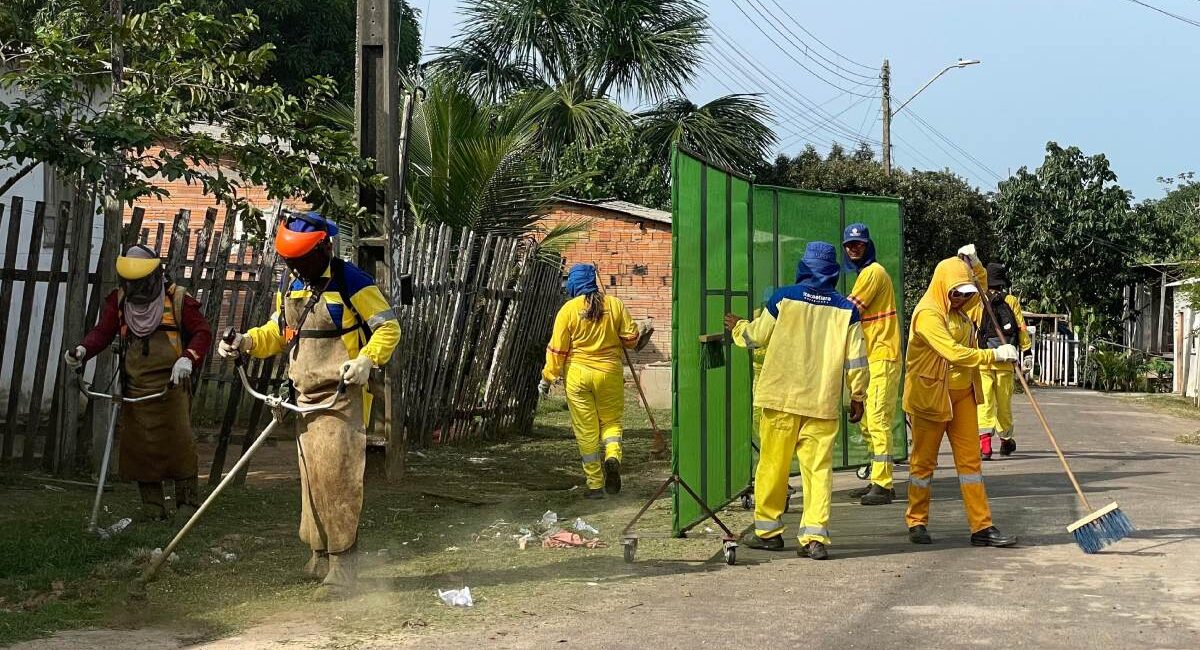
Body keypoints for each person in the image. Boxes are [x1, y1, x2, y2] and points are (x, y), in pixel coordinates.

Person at [219, 211, 400, 597]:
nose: (295, 267)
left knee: (338, 482)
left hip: (341, 400)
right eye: (290, 260)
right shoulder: (292, 285)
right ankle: (318, 556)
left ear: (324, 249)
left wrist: (367, 360)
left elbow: (388, 327)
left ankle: (343, 567)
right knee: (313, 482)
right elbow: (279, 332)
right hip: (304, 400)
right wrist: (246, 343)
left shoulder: (352, 281)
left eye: (301, 259)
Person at [725, 242, 867, 560]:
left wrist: (738, 327)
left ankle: (768, 532)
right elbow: (857, 361)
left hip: (781, 399)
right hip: (822, 403)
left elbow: (756, 337)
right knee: (818, 471)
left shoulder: (783, 298)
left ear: (804, 266)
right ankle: (814, 537)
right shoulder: (847, 310)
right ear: (833, 271)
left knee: (773, 467)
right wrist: (857, 396)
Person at [64, 244, 212, 522]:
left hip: (172, 386)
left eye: (140, 283)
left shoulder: (178, 300)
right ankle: (153, 508)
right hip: (136, 388)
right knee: (141, 449)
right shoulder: (119, 301)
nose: (135, 289)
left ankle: (187, 505)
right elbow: (103, 332)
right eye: (130, 283)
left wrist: (188, 358)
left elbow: (202, 332)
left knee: (179, 444)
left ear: (154, 277)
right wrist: (83, 350)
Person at [903, 246, 1018, 548]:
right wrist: (994, 355)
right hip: (931, 396)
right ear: (943, 286)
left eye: (965, 294)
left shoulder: (961, 306)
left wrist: (975, 265)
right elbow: (953, 353)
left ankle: (982, 526)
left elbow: (980, 287)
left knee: (971, 465)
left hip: (964, 394)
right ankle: (917, 521)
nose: (962, 298)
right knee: (923, 464)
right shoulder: (928, 314)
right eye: (956, 292)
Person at [540, 263, 640, 499]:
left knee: (586, 431)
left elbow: (557, 350)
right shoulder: (614, 304)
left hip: (577, 376)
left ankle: (595, 485)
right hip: (609, 373)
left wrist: (547, 377)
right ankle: (612, 456)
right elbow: (631, 338)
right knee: (611, 422)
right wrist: (621, 337)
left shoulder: (568, 310)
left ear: (574, 284)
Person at [841, 223, 902, 506]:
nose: (853, 249)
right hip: (872, 357)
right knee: (867, 422)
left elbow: (849, 310)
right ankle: (877, 478)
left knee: (877, 420)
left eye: (859, 244)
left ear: (868, 246)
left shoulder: (872, 273)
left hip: (882, 355)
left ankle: (883, 484)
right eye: (849, 245)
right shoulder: (865, 274)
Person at [974, 262, 1031, 459]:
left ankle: (985, 447)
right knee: (1004, 404)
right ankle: (1006, 441)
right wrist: (1027, 351)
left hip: (984, 360)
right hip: (1006, 361)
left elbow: (973, 327)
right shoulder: (1011, 300)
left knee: (984, 403)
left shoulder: (979, 300)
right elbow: (1021, 327)